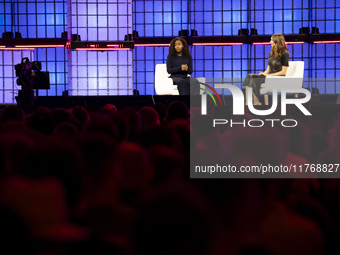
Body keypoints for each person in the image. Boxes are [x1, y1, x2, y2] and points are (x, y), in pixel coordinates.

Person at [244, 33, 289, 105]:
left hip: (278, 78)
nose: (270, 42)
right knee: (250, 76)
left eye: (271, 40)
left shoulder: (285, 53)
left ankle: (256, 102)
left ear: (277, 41)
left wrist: (269, 75)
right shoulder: (271, 53)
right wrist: (264, 74)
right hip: (269, 76)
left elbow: (283, 72)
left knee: (254, 78)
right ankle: (248, 102)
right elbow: (268, 69)